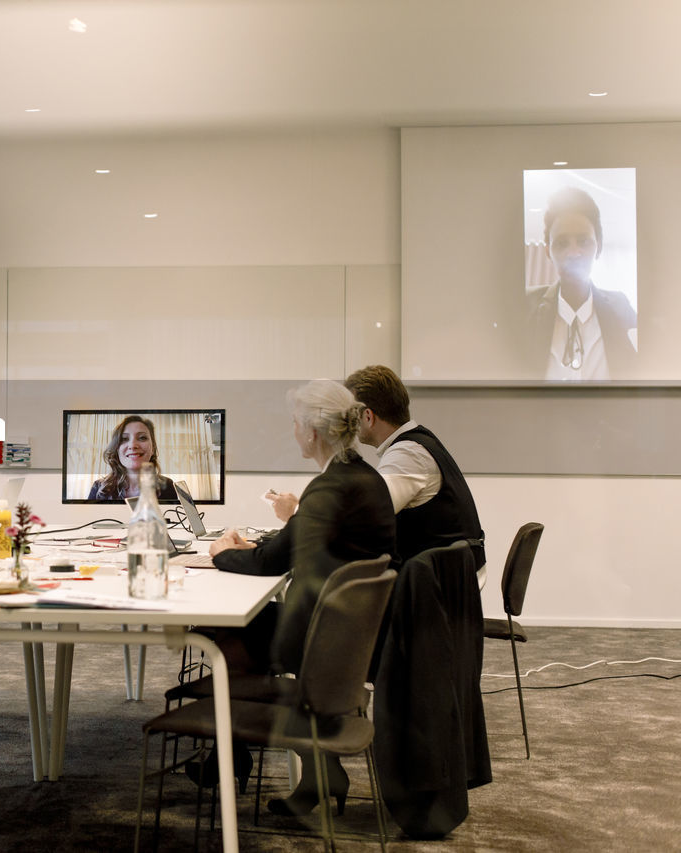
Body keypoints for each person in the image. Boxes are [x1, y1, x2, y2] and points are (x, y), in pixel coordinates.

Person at [198, 379, 396, 816]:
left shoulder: (331, 488)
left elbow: (272, 561)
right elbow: (289, 546)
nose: (292, 430)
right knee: (242, 627)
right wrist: (258, 549)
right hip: (348, 628)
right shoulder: (361, 478)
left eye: (295, 423)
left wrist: (221, 553)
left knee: (221, 633)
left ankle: (231, 753)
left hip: (322, 638)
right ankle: (308, 769)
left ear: (312, 432)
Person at [267, 365, 486, 573]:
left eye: (349, 415)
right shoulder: (418, 442)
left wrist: (297, 513)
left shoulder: (407, 455)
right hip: (451, 570)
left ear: (368, 417)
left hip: (440, 581)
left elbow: (364, 522)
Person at [524, 186, 637, 380]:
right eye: (562, 243)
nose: (574, 253)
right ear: (548, 252)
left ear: (598, 248)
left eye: (584, 242)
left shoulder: (620, 307)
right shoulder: (526, 304)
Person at [86, 415, 179, 501]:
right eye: (124, 439)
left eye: (142, 438)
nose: (133, 445)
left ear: (153, 448)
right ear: (116, 449)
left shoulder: (167, 486)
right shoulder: (98, 488)